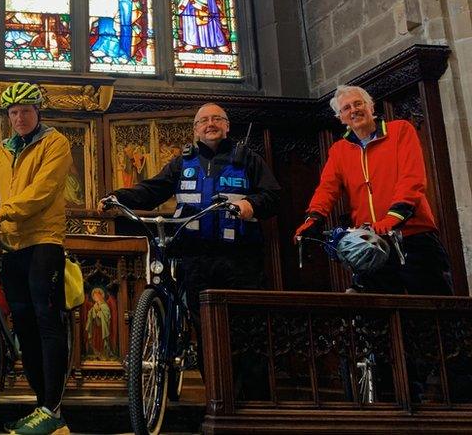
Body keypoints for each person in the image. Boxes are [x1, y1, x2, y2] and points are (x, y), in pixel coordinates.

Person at [101, 103, 280, 387]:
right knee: (206, 330)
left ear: (227, 125)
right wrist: (118, 197)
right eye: (204, 120)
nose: (210, 124)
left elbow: (273, 196)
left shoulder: (247, 158)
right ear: (195, 128)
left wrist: (250, 204)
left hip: (241, 261)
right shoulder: (182, 162)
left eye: (217, 119)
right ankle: (218, 400)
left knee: (248, 330)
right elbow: (153, 190)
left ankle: (253, 405)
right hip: (195, 260)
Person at [0, 82, 74, 435]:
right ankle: (42, 408)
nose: (19, 118)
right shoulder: (4, 149)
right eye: (13, 113)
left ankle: (54, 411)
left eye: (25, 111)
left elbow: (42, 192)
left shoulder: (55, 143)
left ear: (38, 111)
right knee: (24, 325)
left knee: (45, 321)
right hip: (11, 246)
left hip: (43, 241)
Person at [294, 85, 454, 295]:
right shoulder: (339, 150)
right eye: (346, 108)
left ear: (371, 106)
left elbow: (412, 179)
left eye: (358, 103)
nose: (354, 110)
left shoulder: (400, 130)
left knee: (434, 309)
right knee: (381, 315)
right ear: (340, 118)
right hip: (371, 243)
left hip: (414, 235)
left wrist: (392, 218)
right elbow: (327, 189)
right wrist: (313, 219)